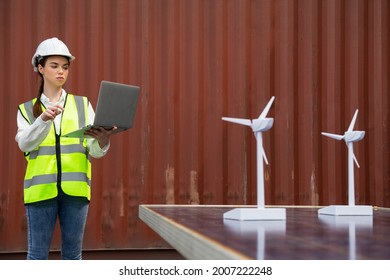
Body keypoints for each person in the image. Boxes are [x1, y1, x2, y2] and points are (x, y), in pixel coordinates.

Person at [15, 37, 117, 260]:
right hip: (40, 193)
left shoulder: (82, 104)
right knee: (36, 257)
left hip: (76, 193)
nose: (61, 71)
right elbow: (24, 143)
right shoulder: (26, 110)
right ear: (40, 68)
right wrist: (42, 120)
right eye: (54, 66)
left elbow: (94, 150)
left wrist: (102, 139)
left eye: (65, 66)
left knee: (72, 257)